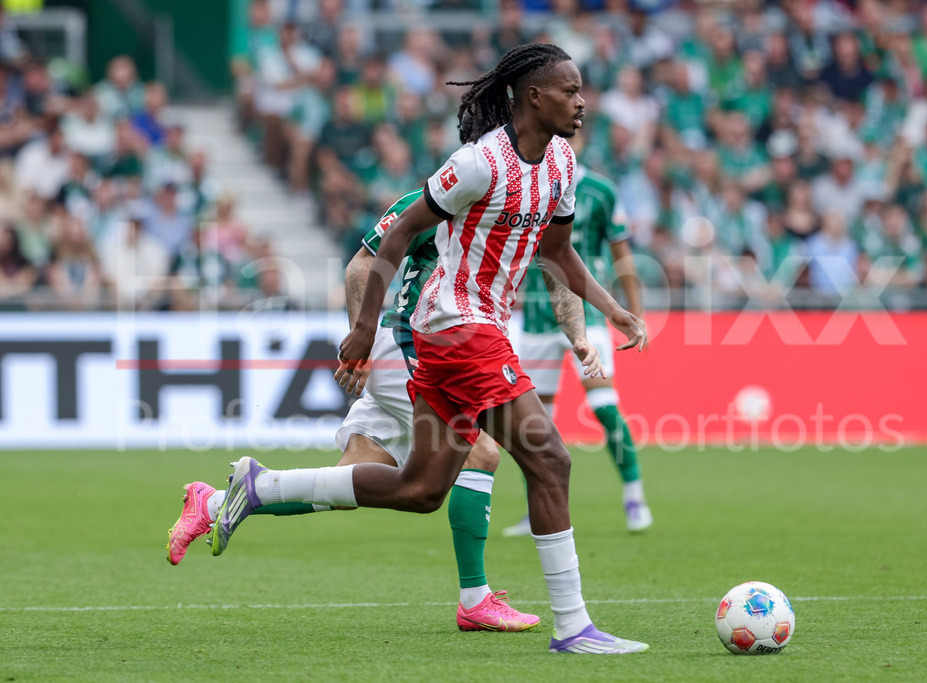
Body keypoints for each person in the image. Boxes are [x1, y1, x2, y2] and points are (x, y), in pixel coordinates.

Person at [206, 43, 650, 654]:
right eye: (570, 91)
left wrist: (612, 310)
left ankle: (258, 487)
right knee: (550, 460)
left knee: (421, 489)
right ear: (533, 97)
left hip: (475, 330)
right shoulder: (477, 163)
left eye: (582, 91)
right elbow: (402, 233)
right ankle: (573, 628)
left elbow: (558, 252)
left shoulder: (563, 166)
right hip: (456, 326)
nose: (582, 102)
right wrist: (364, 328)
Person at [167, 187, 604, 633]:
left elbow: (556, 269)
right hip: (416, 345)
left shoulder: (528, 200)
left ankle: (217, 500)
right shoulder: (442, 195)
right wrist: (363, 336)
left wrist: (580, 336)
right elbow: (362, 263)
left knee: (352, 476)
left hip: (429, 348)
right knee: (481, 452)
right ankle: (475, 598)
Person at [504, 134, 652, 536]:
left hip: (584, 315)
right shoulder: (524, 182)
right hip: (534, 319)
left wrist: (635, 313)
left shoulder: (601, 191)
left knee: (605, 406)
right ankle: (537, 510)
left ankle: (634, 496)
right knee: (535, 425)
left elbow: (622, 255)